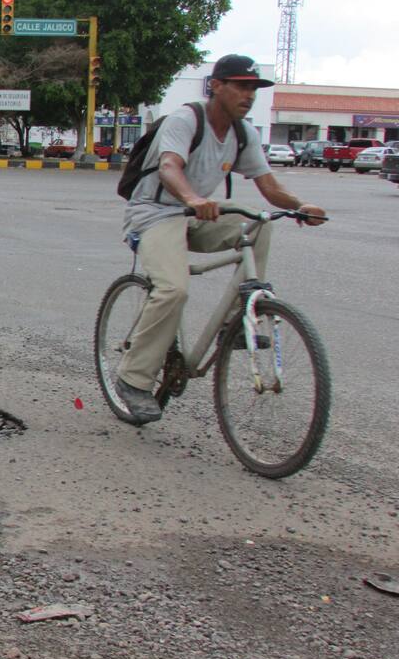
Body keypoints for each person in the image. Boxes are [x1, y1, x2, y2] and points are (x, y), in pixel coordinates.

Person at [114, 54, 326, 425]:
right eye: (241, 86)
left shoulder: (244, 134)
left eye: (254, 89)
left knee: (260, 223)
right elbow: (169, 167)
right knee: (174, 290)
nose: (249, 95)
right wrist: (193, 199)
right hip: (156, 212)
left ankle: (236, 322)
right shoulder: (186, 120)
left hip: (199, 213)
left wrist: (300, 205)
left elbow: (268, 186)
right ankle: (133, 379)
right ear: (216, 85)